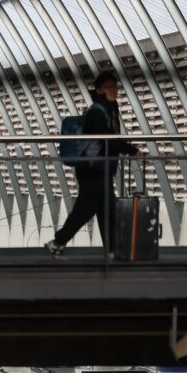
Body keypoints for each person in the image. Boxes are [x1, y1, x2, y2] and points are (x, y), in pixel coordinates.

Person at [46, 71, 140, 257]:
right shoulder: (97, 111)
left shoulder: (109, 109)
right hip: (92, 170)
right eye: (109, 87)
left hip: (99, 169)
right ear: (99, 90)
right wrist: (132, 150)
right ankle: (57, 242)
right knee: (87, 209)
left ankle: (111, 250)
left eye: (115, 86)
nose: (114, 90)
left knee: (106, 210)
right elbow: (107, 139)